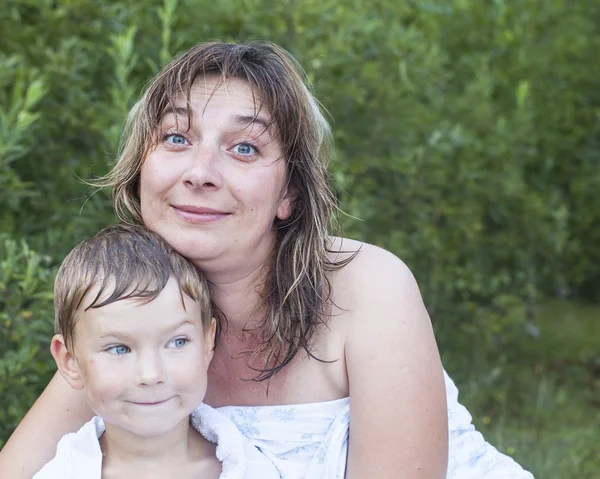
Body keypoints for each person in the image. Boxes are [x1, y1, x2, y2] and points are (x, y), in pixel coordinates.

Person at [0, 41, 534, 478]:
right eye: (177, 137)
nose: (200, 170)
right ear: (142, 173)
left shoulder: (366, 287)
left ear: (290, 195)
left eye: (245, 148)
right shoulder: (129, 313)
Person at [33, 224, 279, 479]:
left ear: (207, 343)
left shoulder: (253, 468)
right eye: (119, 349)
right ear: (69, 360)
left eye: (177, 342)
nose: (151, 375)